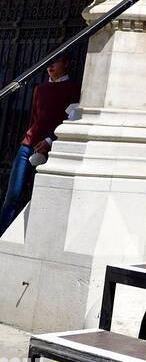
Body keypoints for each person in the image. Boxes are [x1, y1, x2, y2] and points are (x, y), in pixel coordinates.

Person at [0, 55, 79, 237]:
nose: (50, 66)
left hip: (53, 148)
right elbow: (35, 119)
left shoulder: (73, 89)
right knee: (13, 195)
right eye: (48, 63)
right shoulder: (40, 89)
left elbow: (71, 120)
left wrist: (50, 140)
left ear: (66, 63)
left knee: (45, 198)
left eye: (56, 62)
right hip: (28, 145)